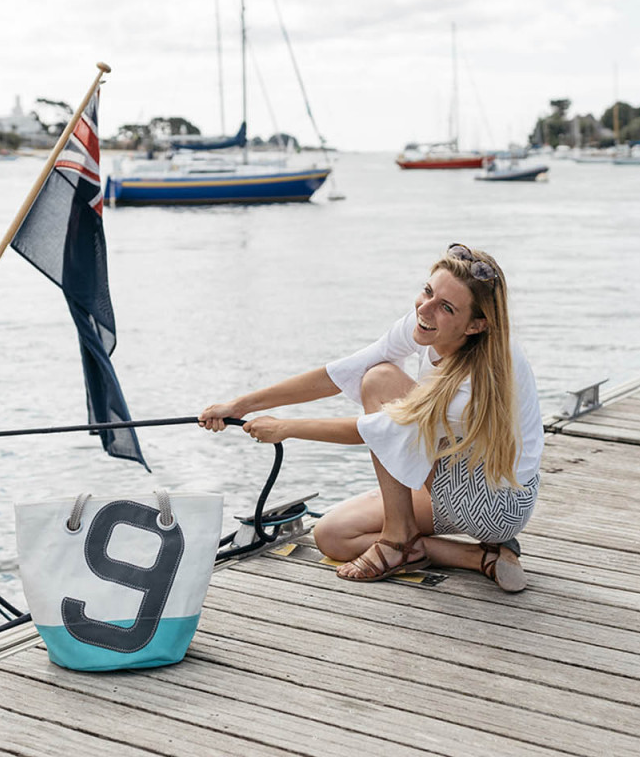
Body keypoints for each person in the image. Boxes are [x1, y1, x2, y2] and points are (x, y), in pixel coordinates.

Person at [199, 244, 544, 591]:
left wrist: (285, 428)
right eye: (427, 291)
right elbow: (339, 372)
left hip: (494, 502)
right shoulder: (430, 323)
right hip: (461, 474)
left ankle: (397, 542)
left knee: (380, 380)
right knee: (333, 536)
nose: (424, 308)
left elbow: (379, 429)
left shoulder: (479, 379)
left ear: (475, 325)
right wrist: (242, 405)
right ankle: (478, 557)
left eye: (446, 307)